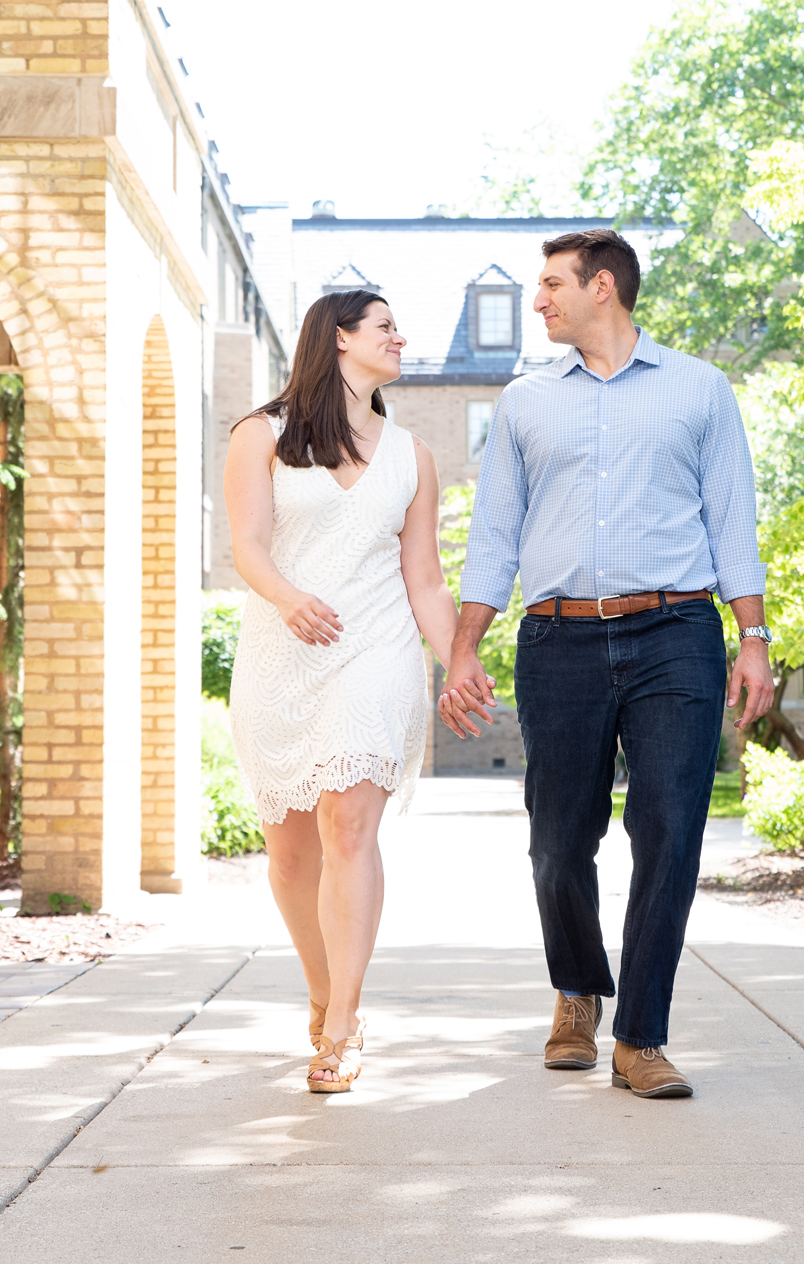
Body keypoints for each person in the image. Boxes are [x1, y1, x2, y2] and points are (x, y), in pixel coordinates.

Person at [440, 229, 775, 1099]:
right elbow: (495, 534)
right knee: (558, 840)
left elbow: (732, 519)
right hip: (560, 639)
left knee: (669, 829)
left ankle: (641, 1036)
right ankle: (576, 992)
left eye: (551, 285)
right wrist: (464, 645)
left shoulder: (699, 389)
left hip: (676, 632)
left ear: (603, 288)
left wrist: (753, 638)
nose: (540, 300)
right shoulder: (525, 402)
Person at [224, 288, 463, 1094]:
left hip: (377, 650)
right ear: (338, 340)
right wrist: (290, 599)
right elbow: (248, 548)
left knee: (348, 826)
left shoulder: (414, 456)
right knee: (290, 852)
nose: (401, 336)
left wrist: (457, 658)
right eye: (386, 326)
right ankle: (325, 992)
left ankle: (342, 1023)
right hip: (281, 655)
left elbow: (425, 580)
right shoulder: (261, 436)